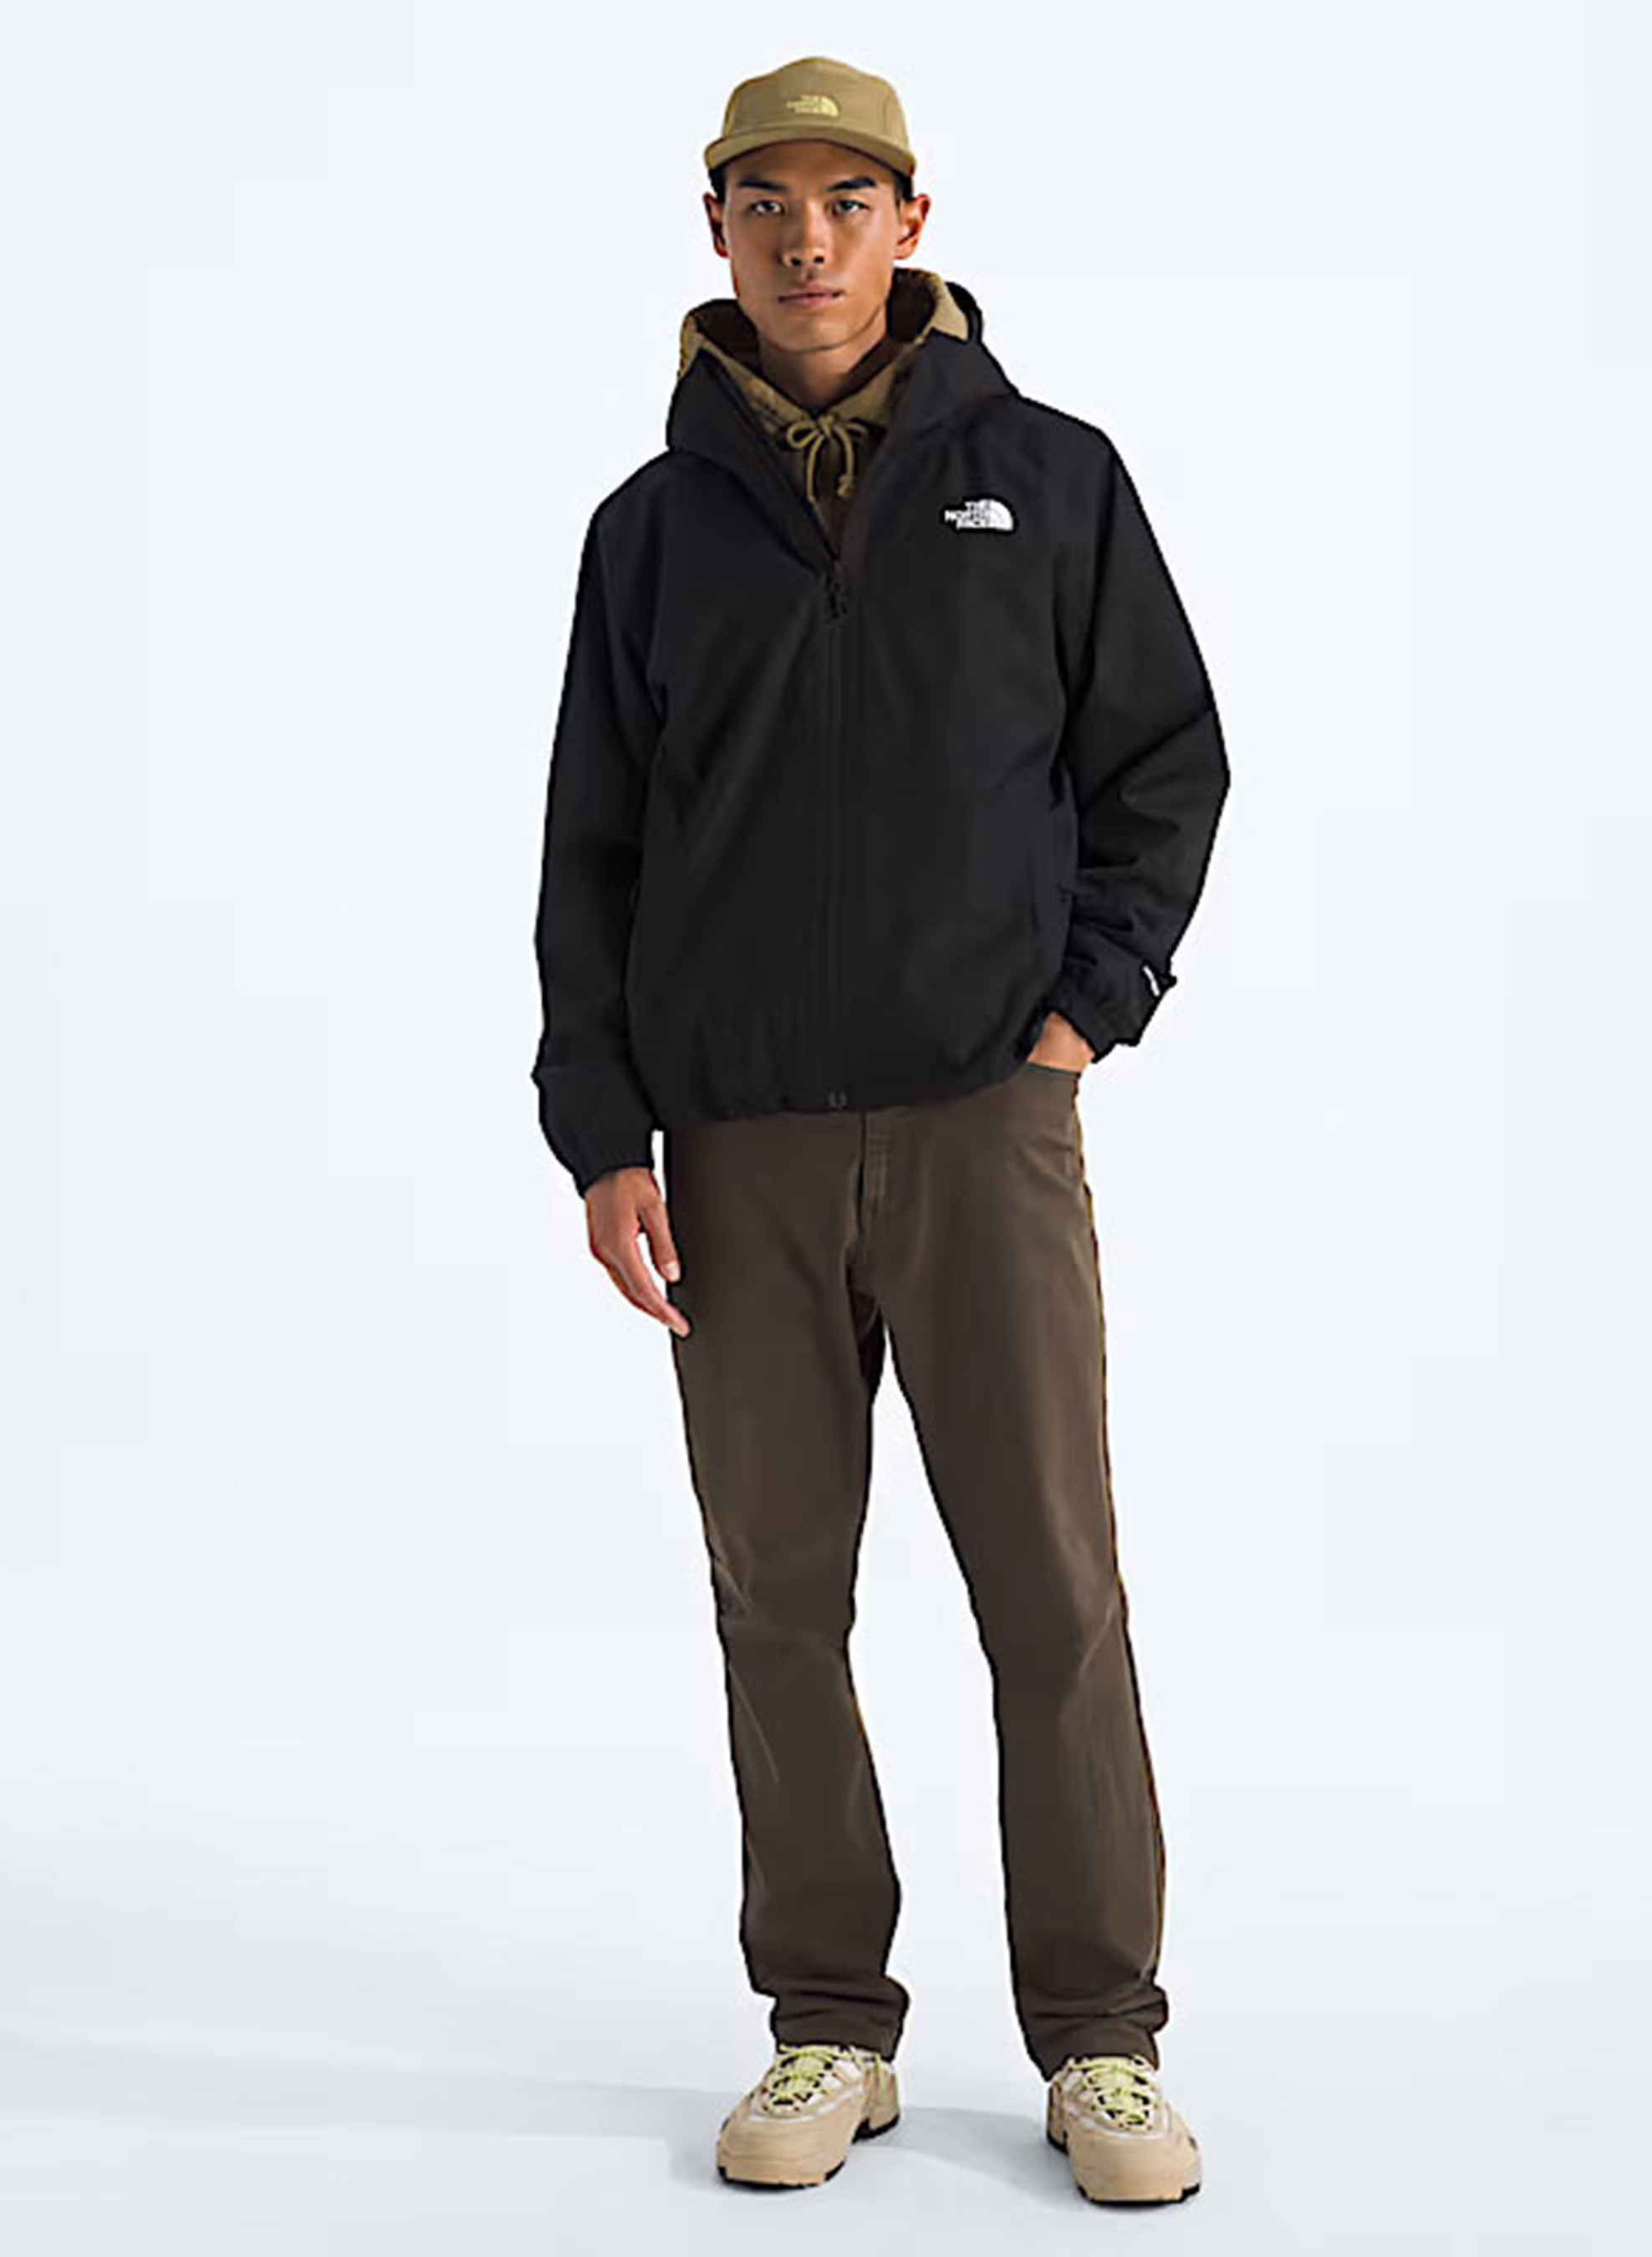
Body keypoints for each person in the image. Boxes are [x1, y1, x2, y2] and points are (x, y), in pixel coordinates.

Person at [530, 54, 1229, 2205]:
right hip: (731, 1143)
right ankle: (827, 2021)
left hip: (978, 1125)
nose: (805, 238)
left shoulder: (1048, 479)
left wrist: (1074, 1022)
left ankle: (1099, 2044)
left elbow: (1163, 766)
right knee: (774, 1597)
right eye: (767, 202)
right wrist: (602, 1130)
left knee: (1051, 1591)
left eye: (846, 201)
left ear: (910, 223)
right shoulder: (652, 531)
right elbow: (591, 849)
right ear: (716, 228)